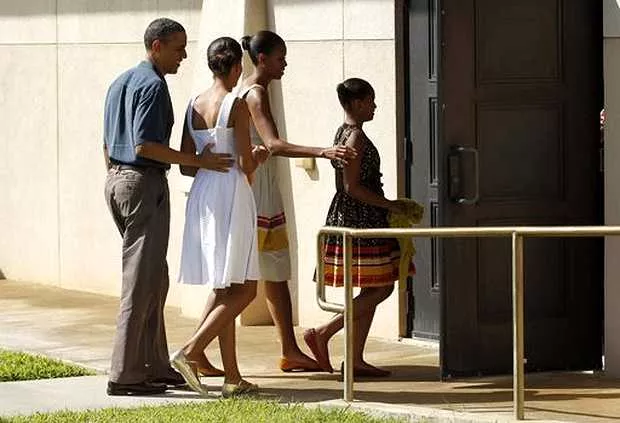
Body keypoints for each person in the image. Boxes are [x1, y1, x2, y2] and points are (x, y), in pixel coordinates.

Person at [190, 30, 356, 375]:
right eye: (280, 57)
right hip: (253, 190)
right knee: (239, 282)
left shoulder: (238, 94)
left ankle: (286, 349)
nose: (285, 64)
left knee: (269, 273)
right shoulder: (253, 94)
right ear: (260, 58)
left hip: (254, 187)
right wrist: (323, 152)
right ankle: (196, 349)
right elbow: (273, 144)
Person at [103, 18, 234, 396]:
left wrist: (117, 178)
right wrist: (198, 161)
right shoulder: (153, 85)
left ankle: (155, 365)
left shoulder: (120, 82)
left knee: (154, 279)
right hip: (142, 182)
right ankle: (125, 375)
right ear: (156, 46)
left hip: (118, 181)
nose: (185, 55)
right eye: (178, 48)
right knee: (141, 283)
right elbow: (145, 146)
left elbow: (108, 144)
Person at [171, 36, 269, 397]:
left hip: (204, 193)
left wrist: (206, 160)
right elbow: (245, 163)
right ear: (236, 67)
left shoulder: (192, 104)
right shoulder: (236, 104)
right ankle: (191, 351)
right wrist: (259, 155)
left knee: (225, 286)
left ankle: (232, 377)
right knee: (245, 288)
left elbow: (185, 164)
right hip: (231, 193)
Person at [303, 78, 414, 377]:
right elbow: (351, 187)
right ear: (355, 104)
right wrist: (389, 204)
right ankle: (324, 332)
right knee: (380, 288)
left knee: (372, 286)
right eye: (370, 101)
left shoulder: (345, 133)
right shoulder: (355, 138)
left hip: (360, 215)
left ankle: (355, 358)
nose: (374, 106)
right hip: (359, 217)